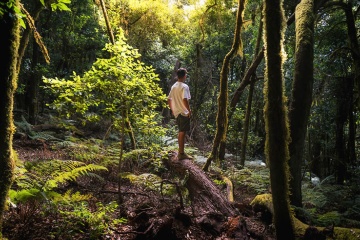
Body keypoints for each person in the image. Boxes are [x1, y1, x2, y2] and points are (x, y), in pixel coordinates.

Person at [168, 68, 193, 160]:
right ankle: (181, 153)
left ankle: (181, 152)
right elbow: (184, 99)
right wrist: (189, 110)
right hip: (183, 112)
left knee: (181, 131)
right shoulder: (184, 86)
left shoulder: (174, 86)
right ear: (184, 76)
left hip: (177, 112)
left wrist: (172, 109)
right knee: (182, 132)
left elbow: (169, 99)